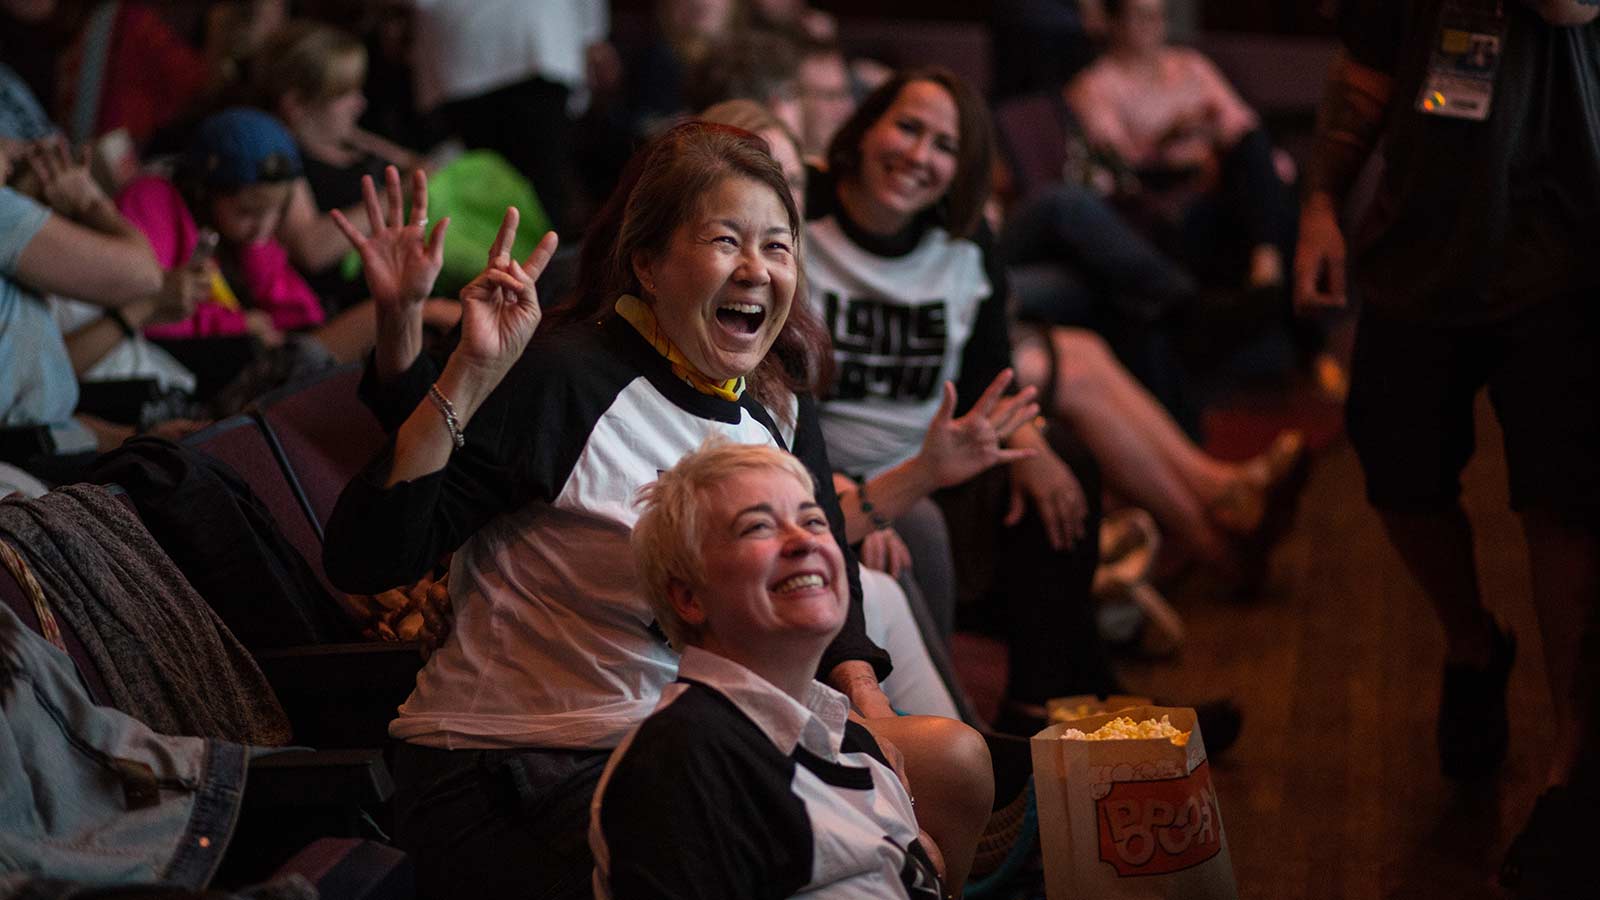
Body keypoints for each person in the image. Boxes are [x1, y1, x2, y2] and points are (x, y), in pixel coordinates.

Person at [322, 123, 990, 898]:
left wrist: (862, 709)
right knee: (846, 866)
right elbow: (368, 558)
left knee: (953, 769)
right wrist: (469, 374)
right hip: (520, 764)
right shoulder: (565, 377)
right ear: (647, 262)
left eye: (777, 247)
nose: (756, 269)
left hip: (694, 743)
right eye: (725, 241)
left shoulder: (761, 403)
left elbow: (826, 547)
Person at [1293, 0, 1600, 890]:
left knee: (1565, 502)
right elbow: (1366, 69)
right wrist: (1319, 202)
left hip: (1566, 253)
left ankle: (1567, 774)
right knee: (1396, 471)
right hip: (1420, 249)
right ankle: (1473, 642)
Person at [592, 439, 946, 898]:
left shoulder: (849, 738)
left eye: (813, 520)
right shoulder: (679, 761)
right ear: (689, 598)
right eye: (758, 527)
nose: (803, 541)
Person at [1065, 0, 1294, 295]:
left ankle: (1267, 268)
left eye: (1159, 17)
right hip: (1167, 192)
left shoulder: (1190, 64)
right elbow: (1117, 161)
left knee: (1253, 151)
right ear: (1115, 23)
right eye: (1142, 18)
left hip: (1222, 174)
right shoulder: (1094, 85)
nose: (1154, 27)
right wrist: (1169, 137)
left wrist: (1210, 135)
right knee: (1266, 203)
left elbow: (1241, 123)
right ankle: (1274, 283)